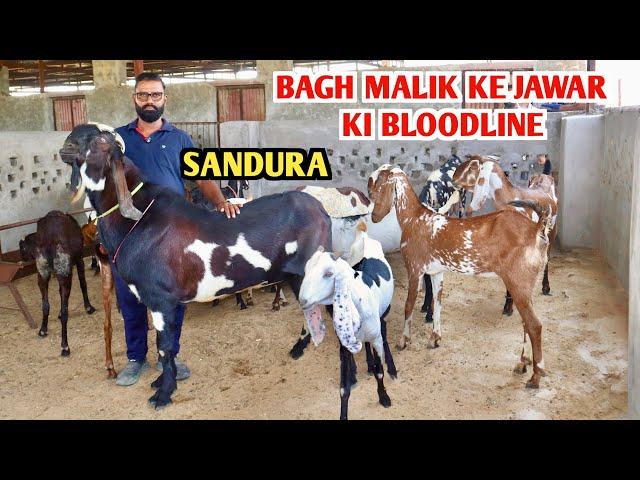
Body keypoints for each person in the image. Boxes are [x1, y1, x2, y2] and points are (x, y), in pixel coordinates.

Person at [113, 72, 241, 386]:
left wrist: (222, 202)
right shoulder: (117, 139)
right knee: (130, 298)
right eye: (143, 95)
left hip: (168, 234)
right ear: (134, 98)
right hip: (128, 235)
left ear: (164, 98)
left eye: (155, 95)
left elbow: (203, 176)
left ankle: (168, 354)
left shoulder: (180, 139)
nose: (149, 101)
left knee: (172, 296)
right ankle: (135, 358)